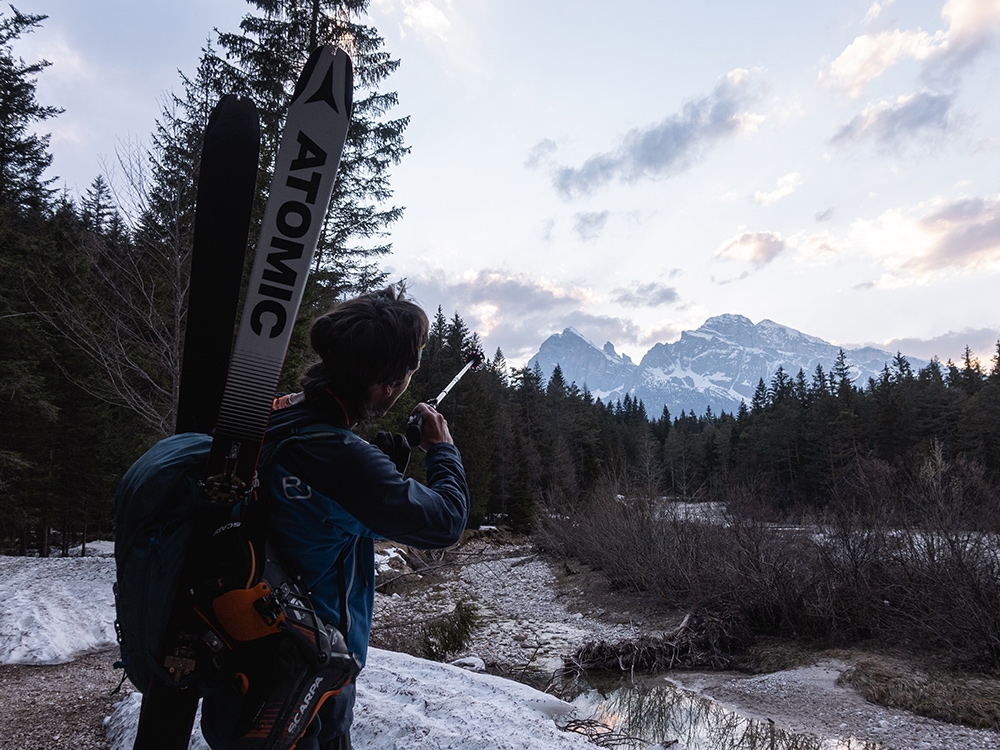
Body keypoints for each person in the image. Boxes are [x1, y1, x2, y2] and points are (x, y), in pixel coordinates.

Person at [201, 285, 470, 750]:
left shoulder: (279, 415)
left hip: (239, 651)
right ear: (387, 386)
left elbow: (309, 507)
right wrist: (442, 450)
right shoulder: (336, 456)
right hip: (304, 679)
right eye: (407, 374)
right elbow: (446, 521)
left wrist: (374, 466)